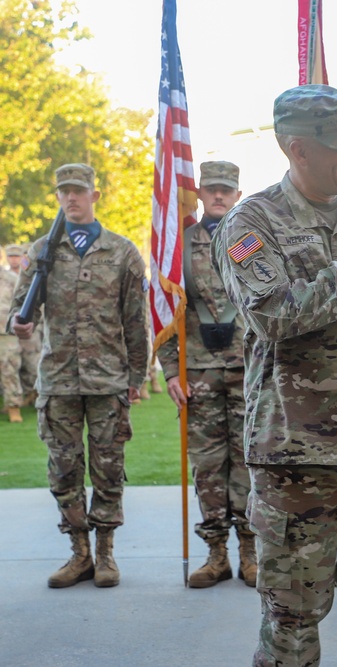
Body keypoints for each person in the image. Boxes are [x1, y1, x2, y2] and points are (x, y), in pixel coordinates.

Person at [211, 85, 337, 666]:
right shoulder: (251, 223)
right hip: (294, 459)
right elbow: (274, 314)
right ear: (297, 149)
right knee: (292, 623)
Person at [6, 163, 148, 588]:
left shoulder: (122, 252)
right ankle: (79, 553)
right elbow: (19, 307)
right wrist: (20, 322)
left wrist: (137, 376)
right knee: (64, 469)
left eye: (78, 191)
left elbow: (135, 322)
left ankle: (105, 554)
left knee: (108, 467)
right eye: (63, 192)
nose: (71, 198)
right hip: (59, 378)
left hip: (108, 379)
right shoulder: (40, 252)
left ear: (94, 195)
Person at [157, 161, 255, 588]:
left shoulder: (251, 241)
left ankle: (251, 552)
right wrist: (169, 372)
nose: (218, 196)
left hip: (248, 369)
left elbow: (269, 299)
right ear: (200, 194)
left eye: (226, 190)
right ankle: (216, 555)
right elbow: (164, 311)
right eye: (212, 189)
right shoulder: (180, 246)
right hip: (196, 370)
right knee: (208, 466)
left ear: (237, 194)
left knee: (250, 463)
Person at [5, 243, 40, 404]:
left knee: (31, 361)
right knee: (12, 364)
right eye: (10, 256)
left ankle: (35, 394)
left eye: (16, 256)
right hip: (8, 328)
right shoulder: (5, 276)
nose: (13, 260)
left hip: (29, 324)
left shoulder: (28, 273)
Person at [0, 245, 24, 422]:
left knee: (9, 368)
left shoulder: (11, 279)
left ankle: (13, 407)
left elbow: (23, 303)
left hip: (5, 331)